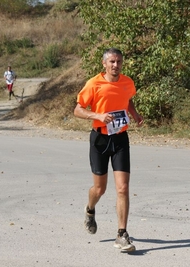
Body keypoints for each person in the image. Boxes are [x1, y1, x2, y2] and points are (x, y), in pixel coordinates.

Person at [74, 48, 144, 252]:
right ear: (104, 63)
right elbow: (77, 110)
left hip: (120, 138)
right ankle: (90, 209)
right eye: (112, 62)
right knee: (100, 189)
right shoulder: (93, 84)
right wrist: (97, 116)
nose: (116, 65)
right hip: (100, 140)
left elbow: (127, 99)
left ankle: (122, 234)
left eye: (119, 62)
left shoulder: (127, 82)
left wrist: (135, 114)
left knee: (122, 188)